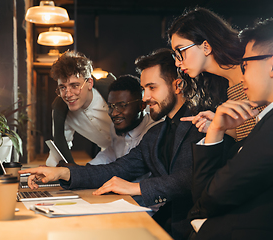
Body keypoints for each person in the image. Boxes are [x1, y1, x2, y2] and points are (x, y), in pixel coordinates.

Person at [19, 48, 227, 240]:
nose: (145, 98)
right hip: (164, 225)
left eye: (152, 88)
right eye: (144, 89)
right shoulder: (156, 133)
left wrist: (136, 187)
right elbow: (119, 168)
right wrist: (63, 173)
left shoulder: (202, 123)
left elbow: (188, 179)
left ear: (178, 85)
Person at [188, 19, 273, 240]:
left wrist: (215, 132)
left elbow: (211, 196)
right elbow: (208, 193)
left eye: (245, 65)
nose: (242, 75)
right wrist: (216, 131)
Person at [168, 7, 265, 141]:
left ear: (206, 46)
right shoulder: (224, 84)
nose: (177, 63)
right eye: (175, 55)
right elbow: (246, 134)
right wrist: (216, 126)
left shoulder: (252, 67)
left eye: (180, 51)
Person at [46, 51, 113, 166]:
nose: (68, 94)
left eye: (74, 86)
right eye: (62, 87)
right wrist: (48, 170)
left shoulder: (111, 94)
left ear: (90, 83)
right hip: (108, 155)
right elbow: (60, 148)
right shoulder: (61, 110)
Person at [89, 74, 162, 165]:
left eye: (122, 106)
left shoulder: (155, 132)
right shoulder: (116, 126)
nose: (114, 113)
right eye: (111, 106)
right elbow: (112, 153)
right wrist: (85, 168)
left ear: (142, 105)